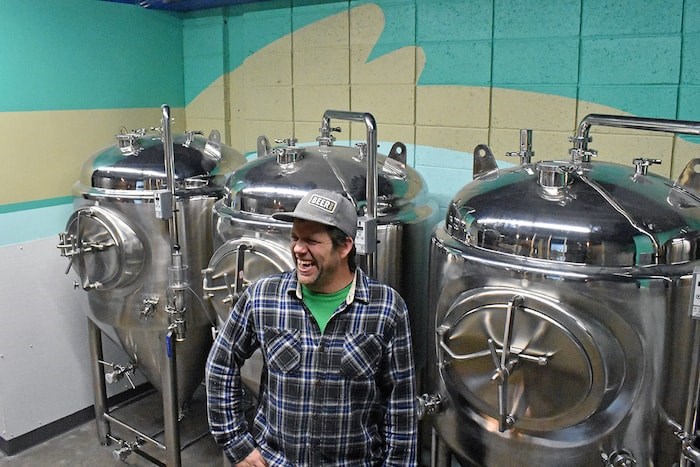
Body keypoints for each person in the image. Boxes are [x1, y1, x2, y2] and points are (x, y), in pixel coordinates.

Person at [205, 188, 418, 466]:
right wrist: (237, 443)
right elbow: (220, 364)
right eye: (295, 238)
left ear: (344, 246)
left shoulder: (386, 308)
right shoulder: (263, 297)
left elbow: (401, 404)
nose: (297, 249)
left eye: (311, 241)